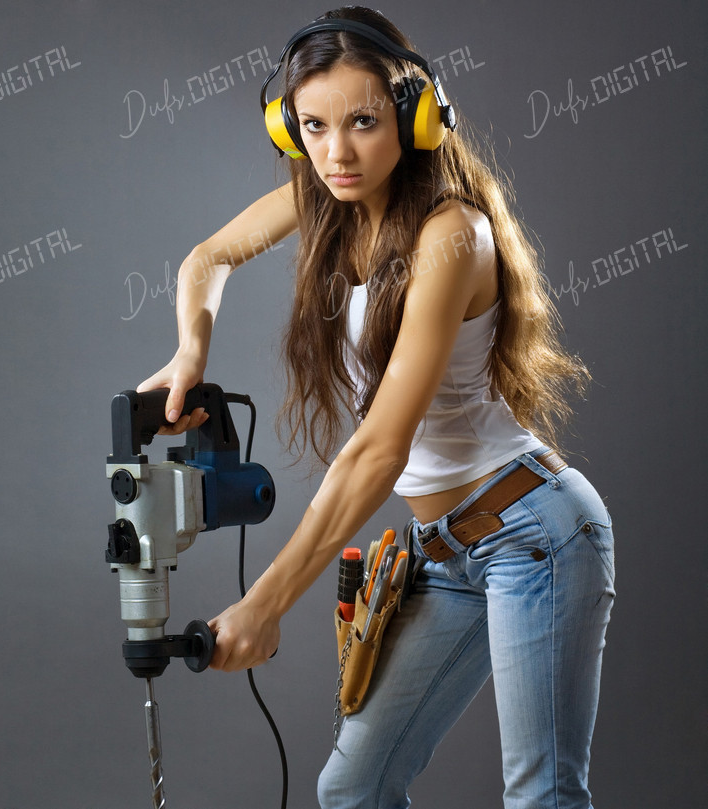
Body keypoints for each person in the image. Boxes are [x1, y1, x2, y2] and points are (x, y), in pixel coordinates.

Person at [137, 7, 615, 808]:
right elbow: (207, 257)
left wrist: (266, 603)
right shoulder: (327, 196)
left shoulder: (451, 235)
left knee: (541, 796)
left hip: (535, 534)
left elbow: (379, 449)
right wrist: (191, 351)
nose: (336, 151)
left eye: (361, 121)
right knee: (352, 789)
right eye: (314, 126)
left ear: (415, 115)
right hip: (445, 549)